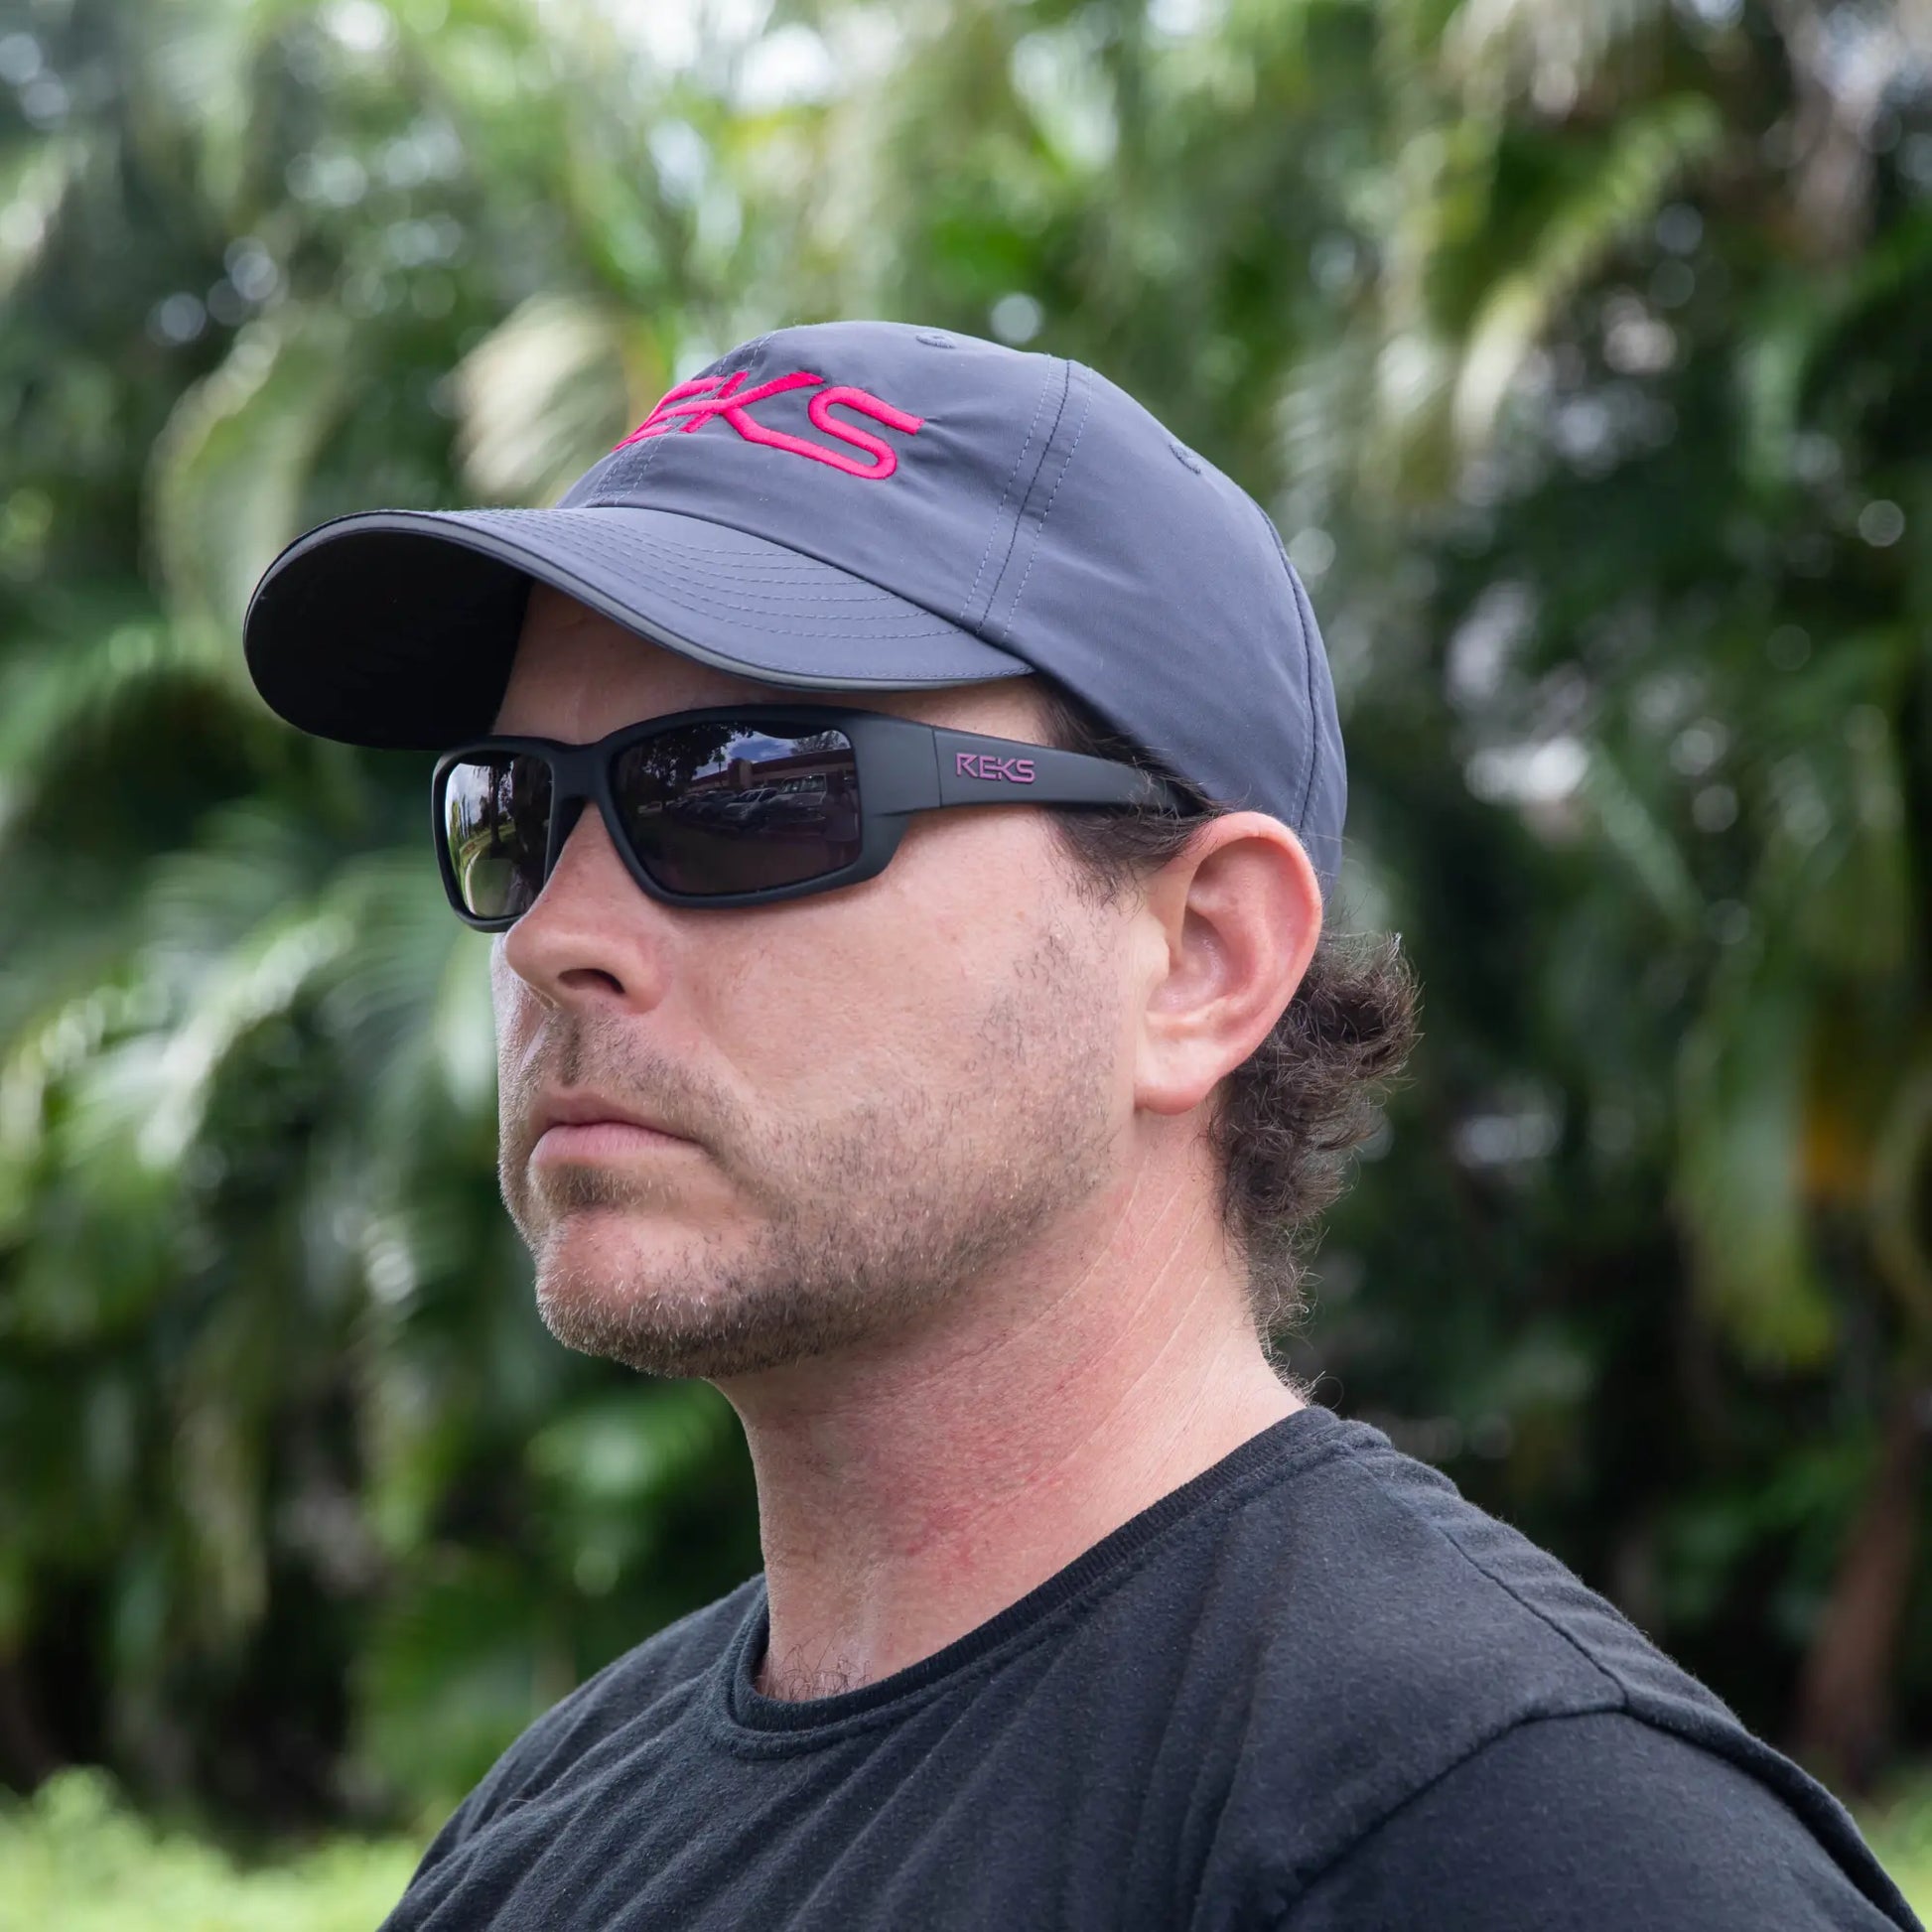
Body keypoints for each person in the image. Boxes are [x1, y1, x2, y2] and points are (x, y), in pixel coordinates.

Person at [243, 321, 1918, 1931]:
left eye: (742, 788)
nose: (549, 931)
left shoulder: (1516, 1840)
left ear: (1199, 957)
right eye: (516, 811)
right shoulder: (551, 1826)